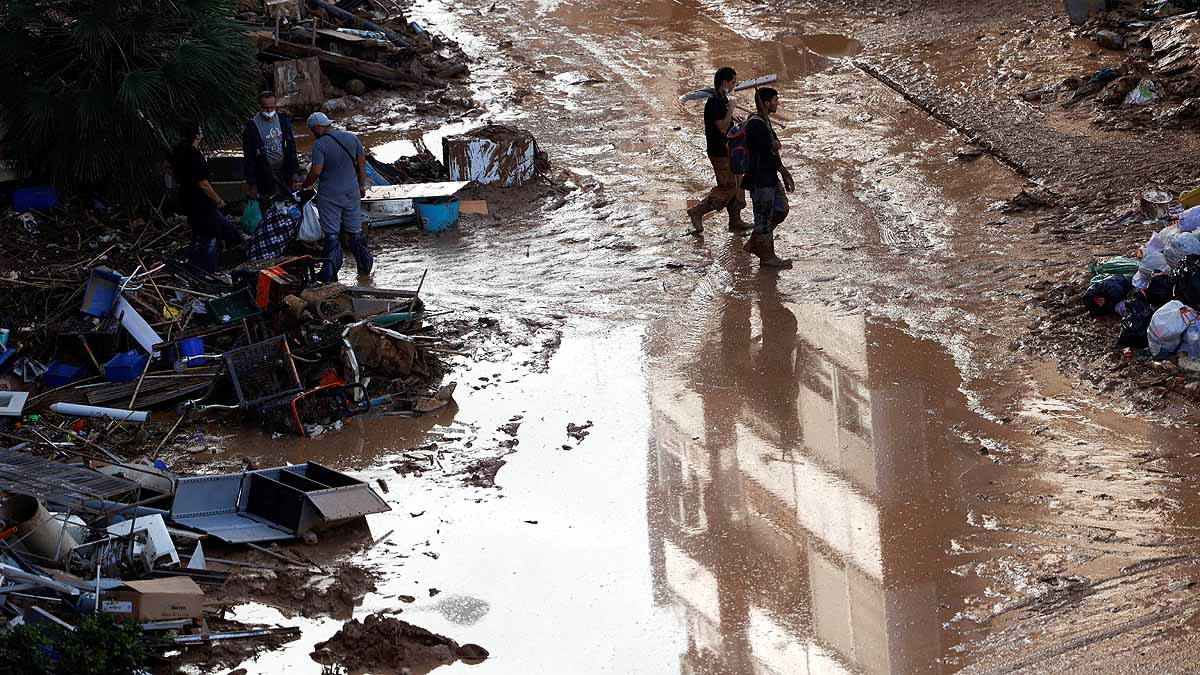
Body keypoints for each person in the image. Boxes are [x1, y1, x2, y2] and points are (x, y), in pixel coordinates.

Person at [300, 112, 373, 282]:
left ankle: (329, 275)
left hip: (329, 197)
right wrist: (361, 185)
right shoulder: (352, 138)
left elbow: (316, 171)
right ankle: (365, 270)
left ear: (318, 127)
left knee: (332, 235)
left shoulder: (320, 145)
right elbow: (362, 164)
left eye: (312, 130)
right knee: (355, 232)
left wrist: (305, 185)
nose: (313, 134)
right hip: (352, 193)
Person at [687, 66, 750, 235]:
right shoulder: (714, 102)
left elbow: (725, 121)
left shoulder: (722, 99)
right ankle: (698, 211)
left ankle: (735, 221)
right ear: (724, 83)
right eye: (733, 82)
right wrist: (730, 110)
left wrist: (734, 118)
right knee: (728, 187)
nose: (734, 86)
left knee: (738, 185)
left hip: (729, 149)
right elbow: (722, 127)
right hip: (719, 152)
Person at [172, 121, 241, 272]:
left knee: (203, 232)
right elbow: (203, 184)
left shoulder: (178, 151)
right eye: (200, 130)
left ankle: (196, 265)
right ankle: (206, 270)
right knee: (209, 235)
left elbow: (168, 169)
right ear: (196, 135)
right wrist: (218, 200)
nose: (202, 132)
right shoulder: (194, 155)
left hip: (187, 200)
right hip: (200, 202)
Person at [742, 87, 793, 269]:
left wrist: (782, 170)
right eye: (775, 100)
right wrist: (784, 171)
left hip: (770, 176)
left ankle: (755, 242)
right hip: (760, 178)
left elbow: (773, 149)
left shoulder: (765, 121)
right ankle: (767, 257)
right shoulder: (755, 124)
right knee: (763, 218)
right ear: (766, 103)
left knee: (781, 209)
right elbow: (767, 152)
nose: (777, 103)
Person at [243, 91, 300, 206]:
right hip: (264, 174)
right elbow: (249, 156)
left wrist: (294, 171)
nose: (269, 111)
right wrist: (252, 183)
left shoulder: (283, 120)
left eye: (272, 107)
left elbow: (291, 147)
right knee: (269, 204)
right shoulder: (252, 126)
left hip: (284, 171)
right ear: (259, 107)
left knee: (289, 203)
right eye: (265, 108)